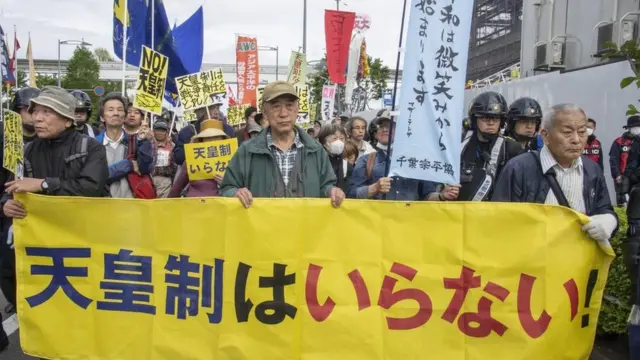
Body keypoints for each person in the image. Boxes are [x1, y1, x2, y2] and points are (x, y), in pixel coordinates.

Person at [492, 103, 617, 237]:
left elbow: (604, 208)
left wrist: (610, 221)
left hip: (577, 255)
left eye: (582, 132)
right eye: (567, 133)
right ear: (545, 135)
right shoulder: (518, 168)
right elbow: (499, 220)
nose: (576, 140)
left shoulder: (592, 169)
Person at [220, 81, 344, 208]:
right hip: (262, 227)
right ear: (264, 112)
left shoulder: (316, 150)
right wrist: (235, 193)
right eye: (276, 106)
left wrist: (331, 191)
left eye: (289, 105)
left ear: (297, 109)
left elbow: (327, 186)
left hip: (306, 227)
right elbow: (226, 189)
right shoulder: (247, 151)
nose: (283, 113)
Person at [348, 113, 459, 201]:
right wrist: (374, 188)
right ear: (376, 133)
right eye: (381, 126)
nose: (384, 129)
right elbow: (351, 193)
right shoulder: (366, 161)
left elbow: (427, 195)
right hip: (376, 226)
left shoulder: (418, 162)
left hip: (409, 224)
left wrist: (442, 196)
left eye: (390, 126)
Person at [458, 91, 522, 201]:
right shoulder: (460, 143)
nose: (491, 123)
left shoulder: (511, 148)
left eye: (496, 118)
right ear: (475, 119)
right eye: (485, 117)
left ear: (502, 121)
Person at [95, 92, 155, 198]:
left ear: (124, 116)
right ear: (102, 117)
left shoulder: (135, 141)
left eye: (120, 110)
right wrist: (128, 165)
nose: (116, 113)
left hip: (131, 205)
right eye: (110, 110)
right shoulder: (94, 144)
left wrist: (143, 141)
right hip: (102, 205)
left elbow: (145, 169)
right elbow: (95, 177)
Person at [169, 120, 229, 198]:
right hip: (194, 206)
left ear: (223, 139)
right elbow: (177, 188)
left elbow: (240, 187)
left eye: (217, 137)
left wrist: (227, 182)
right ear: (201, 140)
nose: (212, 141)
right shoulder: (192, 160)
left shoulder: (232, 160)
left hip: (221, 206)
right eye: (207, 138)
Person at [173, 101, 234, 166]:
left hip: (223, 173)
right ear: (201, 111)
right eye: (212, 108)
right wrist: (190, 147)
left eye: (218, 108)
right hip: (197, 174)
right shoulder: (188, 132)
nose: (216, 113)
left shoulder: (228, 130)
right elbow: (178, 159)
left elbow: (236, 157)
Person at [610, 115, 640, 206]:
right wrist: (617, 175)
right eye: (635, 127)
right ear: (629, 128)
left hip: (637, 177)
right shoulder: (619, 142)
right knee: (623, 202)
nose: (637, 129)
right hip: (623, 178)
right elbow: (614, 160)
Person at [317, 124, 349, 191]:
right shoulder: (317, 162)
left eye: (342, 138)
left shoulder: (347, 165)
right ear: (323, 141)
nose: (339, 141)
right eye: (334, 138)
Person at [151, 119, 177, 198]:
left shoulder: (172, 146)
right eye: (157, 130)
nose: (159, 133)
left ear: (166, 132)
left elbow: (174, 166)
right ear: (153, 131)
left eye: (162, 130)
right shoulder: (148, 144)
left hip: (165, 182)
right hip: (149, 180)